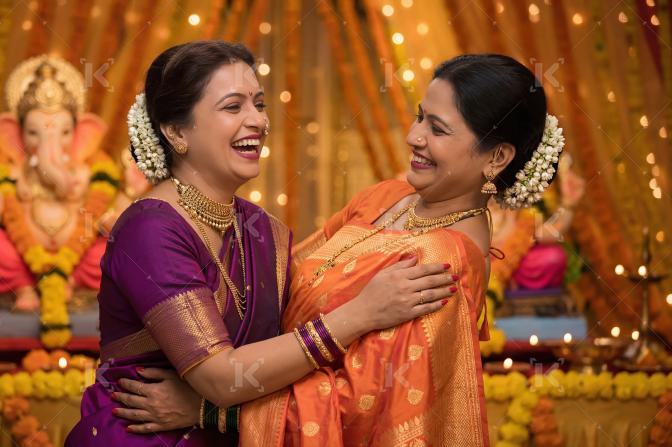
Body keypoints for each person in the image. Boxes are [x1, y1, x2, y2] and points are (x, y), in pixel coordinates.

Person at [112, 53, 561, 446]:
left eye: (438, 129)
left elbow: (364, 407)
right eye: (420, 116)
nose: (414, 136)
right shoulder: (393, 196)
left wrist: (214, 411)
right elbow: (286, 282)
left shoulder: (439, 266)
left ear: (497, 158)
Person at [65, 40, 457, 446]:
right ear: (177, 131)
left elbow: (298, 332)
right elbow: (221, 377)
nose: (257, 120)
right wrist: (361, 314)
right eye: (233, 107)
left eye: (259, 103)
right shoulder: (150, 230)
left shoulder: (262, 230)